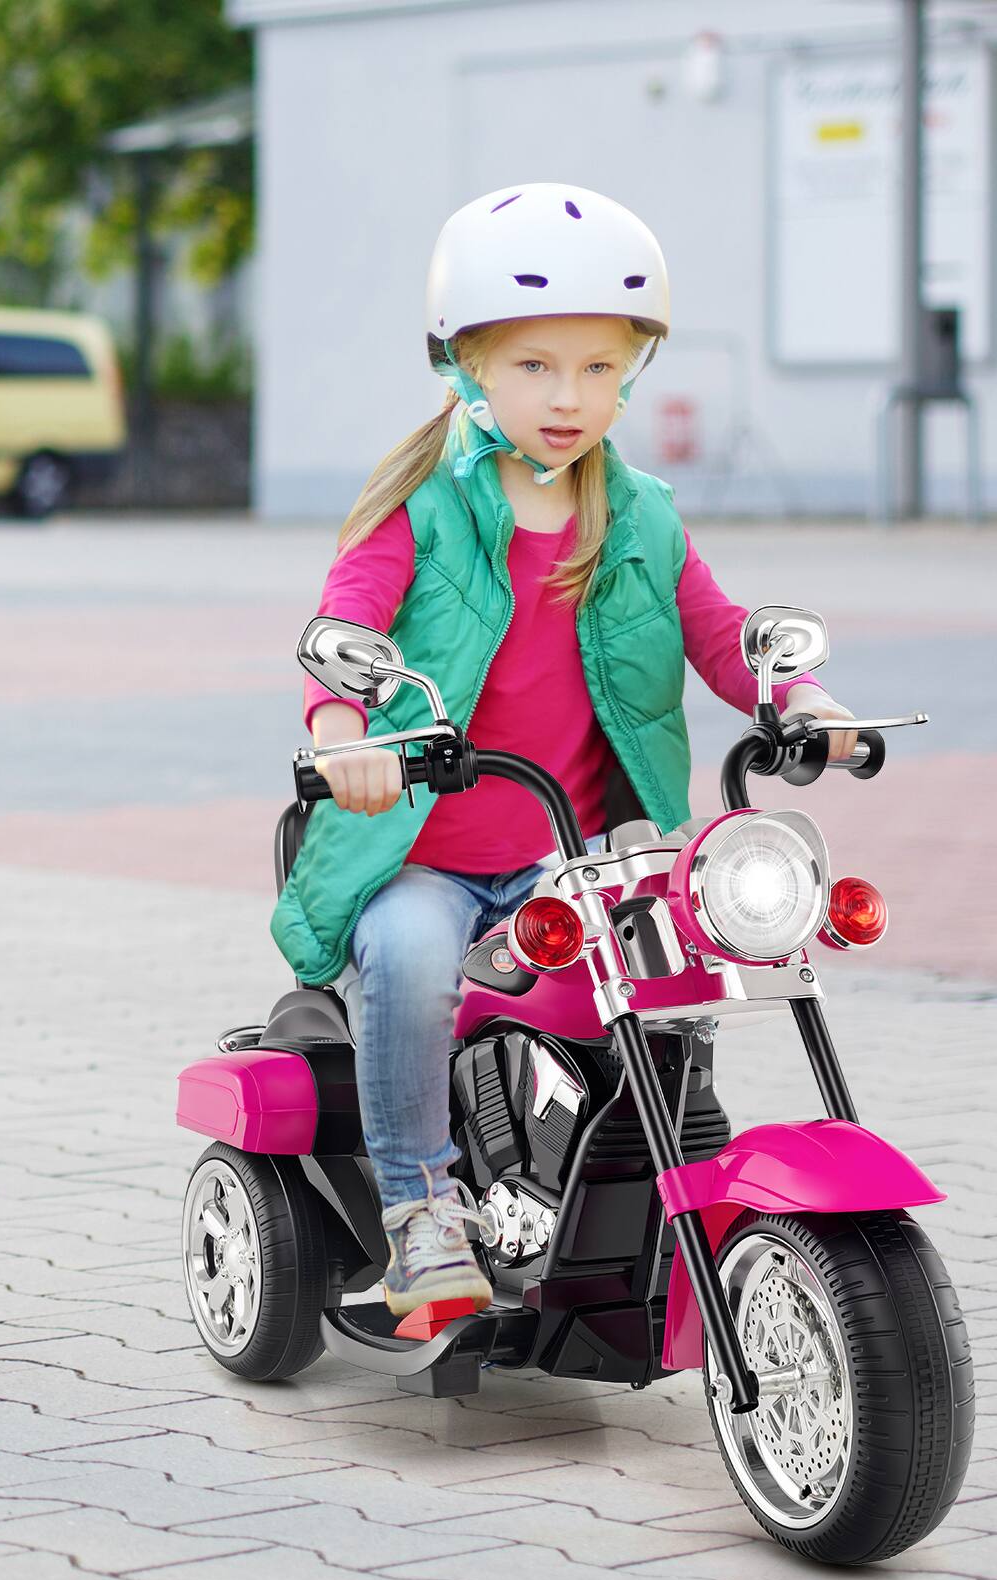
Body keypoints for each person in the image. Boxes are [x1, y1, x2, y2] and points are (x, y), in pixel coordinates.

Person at [272, 182, 858, 1316]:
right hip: (422, 852)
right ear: (466, 363)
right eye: (536, 365)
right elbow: (346, 619)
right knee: (402, 957)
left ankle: (658, 1186)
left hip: (572, 856)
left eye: (599, 368)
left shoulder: (636, 515)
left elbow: (715, 629)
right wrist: (344, 730)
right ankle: (419, 1208)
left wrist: (800, 694)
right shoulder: (421, 510)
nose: (569, 396)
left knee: (675, 960)